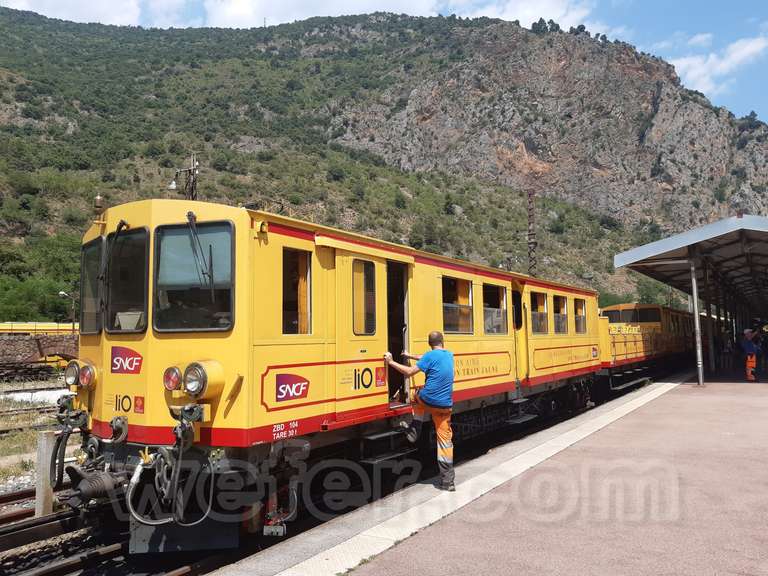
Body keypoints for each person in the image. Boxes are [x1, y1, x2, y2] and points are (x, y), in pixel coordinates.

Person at [384, 331, 455, 491]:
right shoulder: (449, 355)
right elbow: (426, 358)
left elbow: (409, 372)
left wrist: (391, 362)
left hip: (427, 400)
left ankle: (415, 428)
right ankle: (448, 482)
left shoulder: (429, 357)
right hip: (445, 406)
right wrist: (410, 356)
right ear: (442, 342)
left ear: (430, 344)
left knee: (414, 395)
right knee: (445, 442)